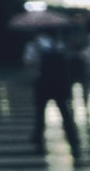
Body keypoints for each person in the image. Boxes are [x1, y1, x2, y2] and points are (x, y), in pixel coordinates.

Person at [23, 29, 82, 157]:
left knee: (40, 114)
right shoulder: (59, 44)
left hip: (42, 83)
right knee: (65, 113)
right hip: (59, 84)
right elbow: (68, 62)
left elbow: (29, 62)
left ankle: (39, 142)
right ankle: (74, 141)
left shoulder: (34, 44)